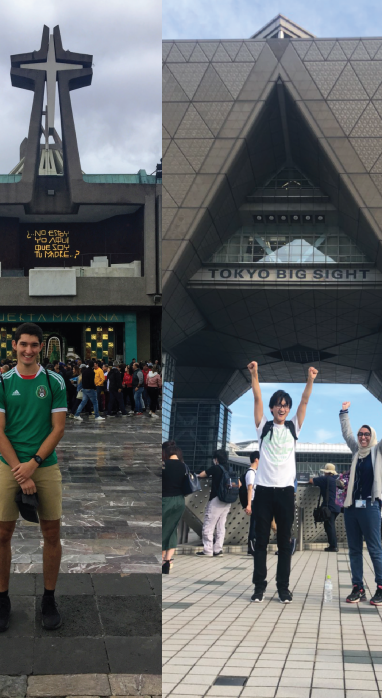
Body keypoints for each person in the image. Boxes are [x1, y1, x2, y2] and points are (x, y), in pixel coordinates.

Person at [0, 322, 67, 631]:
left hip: (45, 464)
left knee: (51, 533)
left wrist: (34, 464)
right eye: (23, 344)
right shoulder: (3, 381)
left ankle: (49, 598)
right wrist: (20, 469)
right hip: (8, 464)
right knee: (2, 535)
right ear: (14, 345)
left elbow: (58, 428)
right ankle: (2, 598)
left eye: (34, 345)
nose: (28, 350)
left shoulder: (54, 381)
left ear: (42, 347)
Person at [248, 360, 318, 604]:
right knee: (261, 542)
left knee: (285, 542)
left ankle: (283, 588)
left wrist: (310, 379)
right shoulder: (263, 427)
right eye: (278, 405)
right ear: (273, 407)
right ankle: (259, 587)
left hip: (286, 492)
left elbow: (305, 401)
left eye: (285, 406)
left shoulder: (292, 427)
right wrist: (255, 375)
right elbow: (257, 399)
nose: (282, 408)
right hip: (264, 491)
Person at [339, 401, 382, 605]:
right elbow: (347, 433)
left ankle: (381, 587)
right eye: (360, 434)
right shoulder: (356, 451)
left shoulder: (378, 452)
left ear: (372, 436)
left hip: (370, 506)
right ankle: (358, 587)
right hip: (351, 508)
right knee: (354, 549)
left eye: (366, 434)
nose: (363, 437)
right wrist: (344, 413)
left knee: (374, 549)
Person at [196, 449, 231, 558]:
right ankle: (218, 549)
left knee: (209, 525)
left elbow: (202, 475)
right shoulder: (229, 469)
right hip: (227, 500)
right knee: (221, 525)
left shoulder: (215, 468)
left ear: (216, 459)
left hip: (216, 500)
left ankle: (208, 550)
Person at [162, 444, 186, 574]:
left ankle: (160, 559)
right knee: (172, 529)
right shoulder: (184, 466)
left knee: (161, 528)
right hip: (180, 501)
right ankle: (167, 560)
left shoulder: (163, 464)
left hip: (165, 500)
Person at [309, 463, 341, 552]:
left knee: (329, 525)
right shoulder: (336, 479)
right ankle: (333, 544)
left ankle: (333, 546)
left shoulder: (325, 479)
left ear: (326, 472)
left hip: (329, 506)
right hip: (337, 506)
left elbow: (311, 481)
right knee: (329, 525)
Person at [245, 451, 259, 556]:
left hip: (255, 501)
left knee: (256, 525)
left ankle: (253, 547)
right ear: (256, 460)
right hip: (253, 501)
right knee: (253, 526)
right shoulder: (251, 473)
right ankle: (251, 548)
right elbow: (250, 489)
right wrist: (249, 504)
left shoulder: (255, 472)